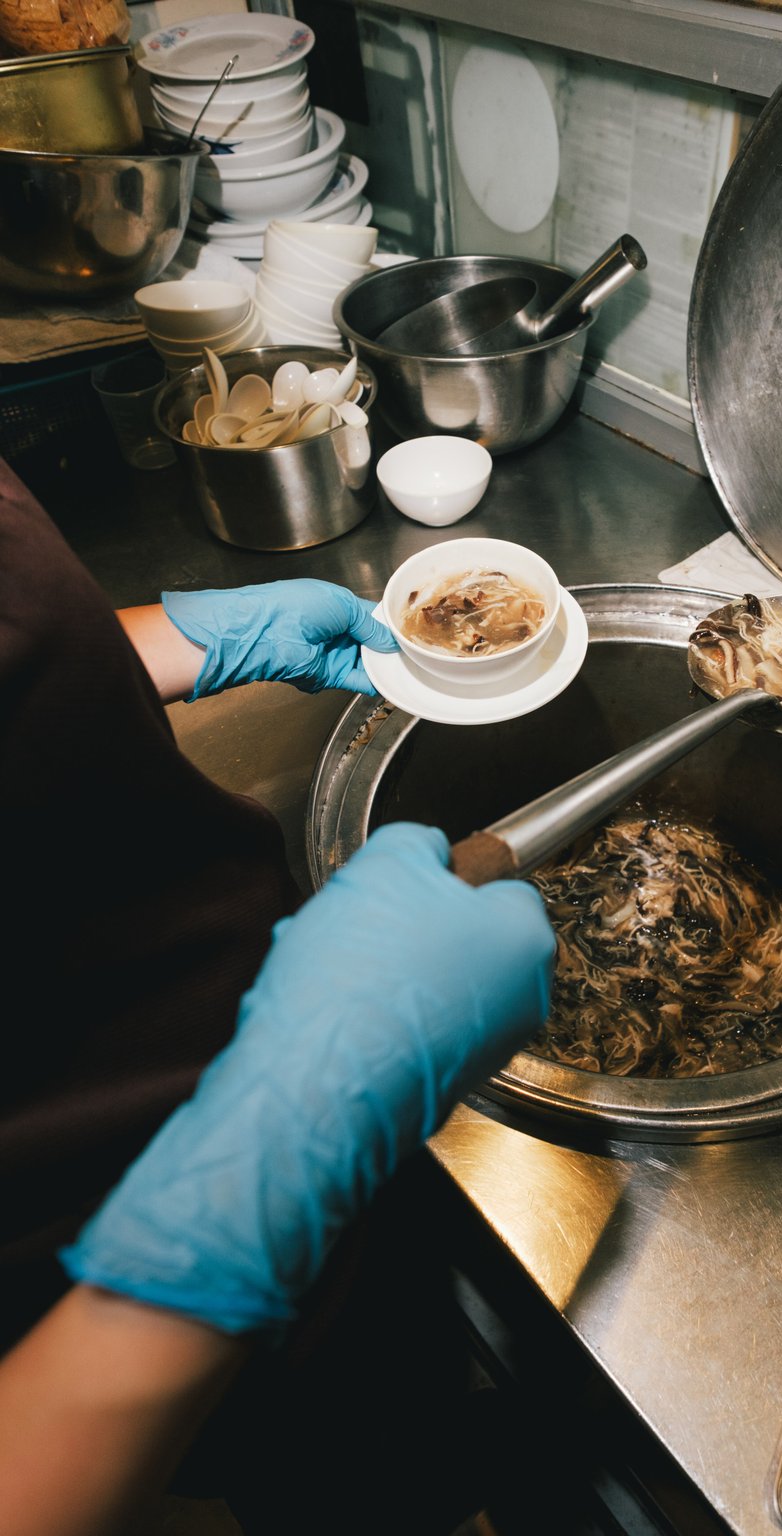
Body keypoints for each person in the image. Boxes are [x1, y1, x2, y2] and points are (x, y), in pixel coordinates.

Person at [0, 455, 556, 1536]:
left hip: (241, 1020)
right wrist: (277, 1146)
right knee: (313, 1471)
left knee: (379, 1399)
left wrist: (160, 646)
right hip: (96, 1242)